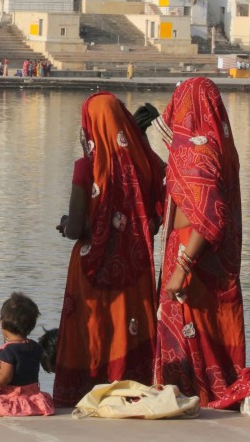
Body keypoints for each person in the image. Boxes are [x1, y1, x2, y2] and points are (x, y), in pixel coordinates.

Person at [53, 94, 165, 406]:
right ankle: (131, 389)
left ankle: (84, 392)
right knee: (125, 327)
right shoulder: (144, 164)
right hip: (135, 265)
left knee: (94, 328)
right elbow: (158, 206)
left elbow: (76, 228)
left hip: (91, 267)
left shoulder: (85, 166)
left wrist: (66, 224)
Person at [154, 77, 245, 404]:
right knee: (210, 335)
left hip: (192, 259)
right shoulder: (218, 146)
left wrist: (182, 268)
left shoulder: (198, 151)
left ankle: (199, 398)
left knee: (198, 337)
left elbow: (209, 218)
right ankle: (204, 396)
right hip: (207, 261)